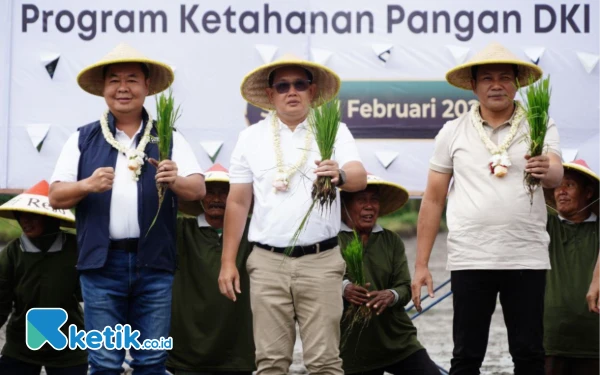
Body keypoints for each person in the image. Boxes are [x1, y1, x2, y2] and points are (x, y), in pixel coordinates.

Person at [48, 42, 205, 374]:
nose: (123, 88)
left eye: (132, 79)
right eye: (114, 79)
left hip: (155, 265)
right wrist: (86, 185)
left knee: (151, 359)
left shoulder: (169, 136)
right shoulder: (83, 138)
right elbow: (56, 196)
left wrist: (175, 179)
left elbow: (198, 189)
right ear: (103, 88)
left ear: (147, 87)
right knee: (104, 360)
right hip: (102, 266)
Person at [411, 42, 563, 375]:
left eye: (505, 77)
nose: (496, 85)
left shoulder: (540, 125)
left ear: (517, 83)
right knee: (466, 355)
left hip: (525, 254)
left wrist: (545, 169)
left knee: (529, 353)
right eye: (488, 78)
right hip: (471, 256)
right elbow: (434, 198)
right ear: (474, 85)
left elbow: (556, 174)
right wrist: (421, 264)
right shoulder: (452, 132)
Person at [218, 54, 367, 374]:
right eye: (282, 85)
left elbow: (359, 176)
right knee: (270, 362)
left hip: (321, 262)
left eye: (300, 84)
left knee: (325, 362)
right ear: (270, 95)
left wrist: (339, 175)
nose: (292, 91)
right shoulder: (250, 137)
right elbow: (238, 203)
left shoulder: (334, 131)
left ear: (312, 91)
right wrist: (228, 261)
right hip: (267, 262)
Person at [339, 174, 439, 375]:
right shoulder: (331, 240)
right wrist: (344, 288)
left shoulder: (390, 240)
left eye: (374, 200)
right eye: (361, 200)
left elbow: (403, 287)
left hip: (396, 338)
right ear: (344, 206)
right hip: (351, 344)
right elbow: (318, 282)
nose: (369, 206)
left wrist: (390, 295)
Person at [167, 164, 255, 374]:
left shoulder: (253, 233)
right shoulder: (179, 230)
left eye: (225, 192)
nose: (216, 198)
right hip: (187, 350)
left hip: (238, 350)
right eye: (210, 192)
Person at [0, 180, 88, 374]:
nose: (25, 221)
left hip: (68, 343)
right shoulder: (12, 253)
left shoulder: (76, 248)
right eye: (21, 215)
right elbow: (1, 301)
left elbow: (90, 294)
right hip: (21, 344)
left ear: (50, 218)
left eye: (33, 216)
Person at [544, 159, 600, 375]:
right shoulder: (547, 226)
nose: (562, 191)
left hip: (595, 342)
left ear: (587, 193)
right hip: (552, 339)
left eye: (570, 185)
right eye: (558, 185)